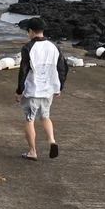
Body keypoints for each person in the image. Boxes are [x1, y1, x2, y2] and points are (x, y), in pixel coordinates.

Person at [15, 17, 68, 160]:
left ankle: (32, 151)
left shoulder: (28, 48)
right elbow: (62, 68)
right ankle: (52, 140)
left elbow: (24, 71)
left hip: (33, 90)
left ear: (30, 31)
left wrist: (19, 91)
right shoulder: (54, 46)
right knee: (45, 117)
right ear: (42, 30)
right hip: (48, 89)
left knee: (29, 120)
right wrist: (59, 86)